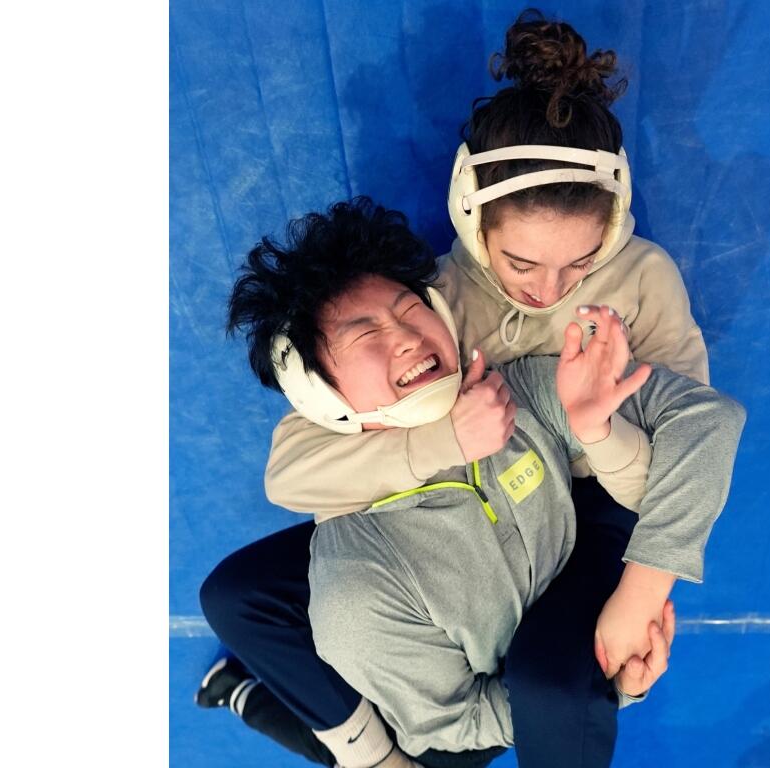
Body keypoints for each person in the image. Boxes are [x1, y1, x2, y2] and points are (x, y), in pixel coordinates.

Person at [200, 11, 723, 767]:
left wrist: (641, 593)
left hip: (597, 505)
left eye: (581, 264)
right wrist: (444, 439)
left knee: (534, 697)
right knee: (239, 595)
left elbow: (689, 447)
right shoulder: (430, 304)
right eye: (521, 265)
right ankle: (337, 737)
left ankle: (267, 709)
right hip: (466, 503)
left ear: (611, 230)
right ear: (472, 224)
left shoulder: (642, 280)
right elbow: (295, 468)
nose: (550, 292)